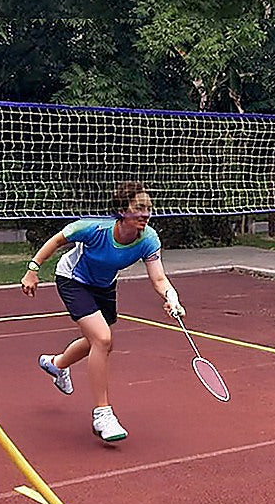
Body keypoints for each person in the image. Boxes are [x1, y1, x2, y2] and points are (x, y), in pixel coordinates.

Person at [20, 181, 185, 443]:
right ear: (122, 210)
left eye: (148, 208)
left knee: (96, 340)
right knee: (103, 339)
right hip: (73, 280)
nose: (145, 214)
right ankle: (102, 414)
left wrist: (171, 297)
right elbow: (57, 240)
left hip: (104, 286)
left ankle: (56, 364)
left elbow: (159, 279)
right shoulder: (94, 228)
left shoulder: (148, 239)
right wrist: (32, 270)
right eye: (139, 208)